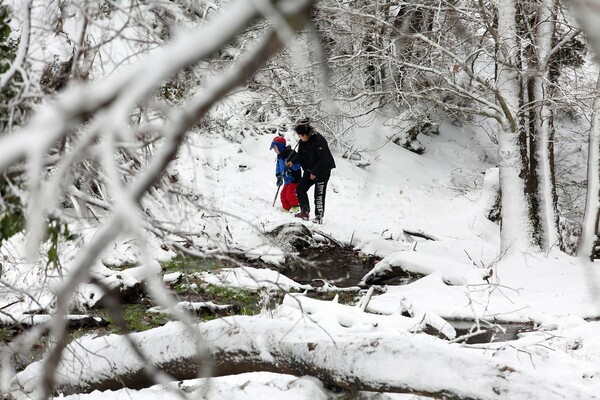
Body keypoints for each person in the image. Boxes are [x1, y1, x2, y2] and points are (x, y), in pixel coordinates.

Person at [293, 119, 336, 224]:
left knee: (319, 194)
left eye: (301, 135)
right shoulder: (303, 141)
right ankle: (305, 211)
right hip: (310, 170)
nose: (300, 138)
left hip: (323, 171)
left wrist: (315, 172)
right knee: (300, 188)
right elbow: (300, 155)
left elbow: (324, 159)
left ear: (306, 133)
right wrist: (292, 161)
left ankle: (318, 216)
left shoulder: (319, 140)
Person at [270, 135, 302, 213]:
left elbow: (299, 163)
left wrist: (291, 169)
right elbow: (278, 166)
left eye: (275, 148)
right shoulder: (279, 156)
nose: (274, 150)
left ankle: (296, 208)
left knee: (290, 194)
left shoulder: (290, 154)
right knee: (283, 194)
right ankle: (286, 208)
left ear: (280, 147)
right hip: (287, 179)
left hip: (294, 178)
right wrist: (279, 177)